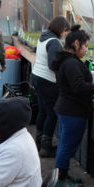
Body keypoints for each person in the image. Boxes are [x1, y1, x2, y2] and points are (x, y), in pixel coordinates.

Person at [52, 24, 94, 187]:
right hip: (72, 111)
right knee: (67, 146)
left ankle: (61, 175)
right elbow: (79, 87)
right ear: (76, 44)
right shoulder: (71, 64)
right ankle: (60, 179)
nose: (86, 50)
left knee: (65, 145)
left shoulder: (68, 61)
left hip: (68, 109)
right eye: (85, 46)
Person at [31, 16, 71, 157]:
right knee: (52, 113)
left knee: (43, 110)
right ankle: (46, 147)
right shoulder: (54, 41)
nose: (66, 34)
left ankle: (39, 142)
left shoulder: (44, 37)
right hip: (47, 80)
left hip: (37, 76)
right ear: (60, 29)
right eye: (65, 31)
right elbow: (53, 64)